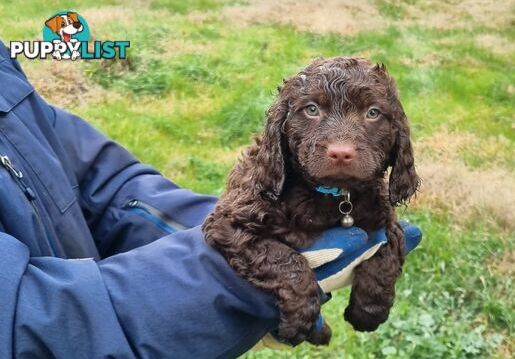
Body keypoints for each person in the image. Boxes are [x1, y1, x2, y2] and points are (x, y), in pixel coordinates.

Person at [0, 40, 421, 358]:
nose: (342, 145)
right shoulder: (267, 185)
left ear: (396, 139)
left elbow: (100, 181)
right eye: (312, 110)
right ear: (280, 133)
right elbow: (20, 321)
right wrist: (272, 286)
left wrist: (375, 290)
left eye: (371, 114)